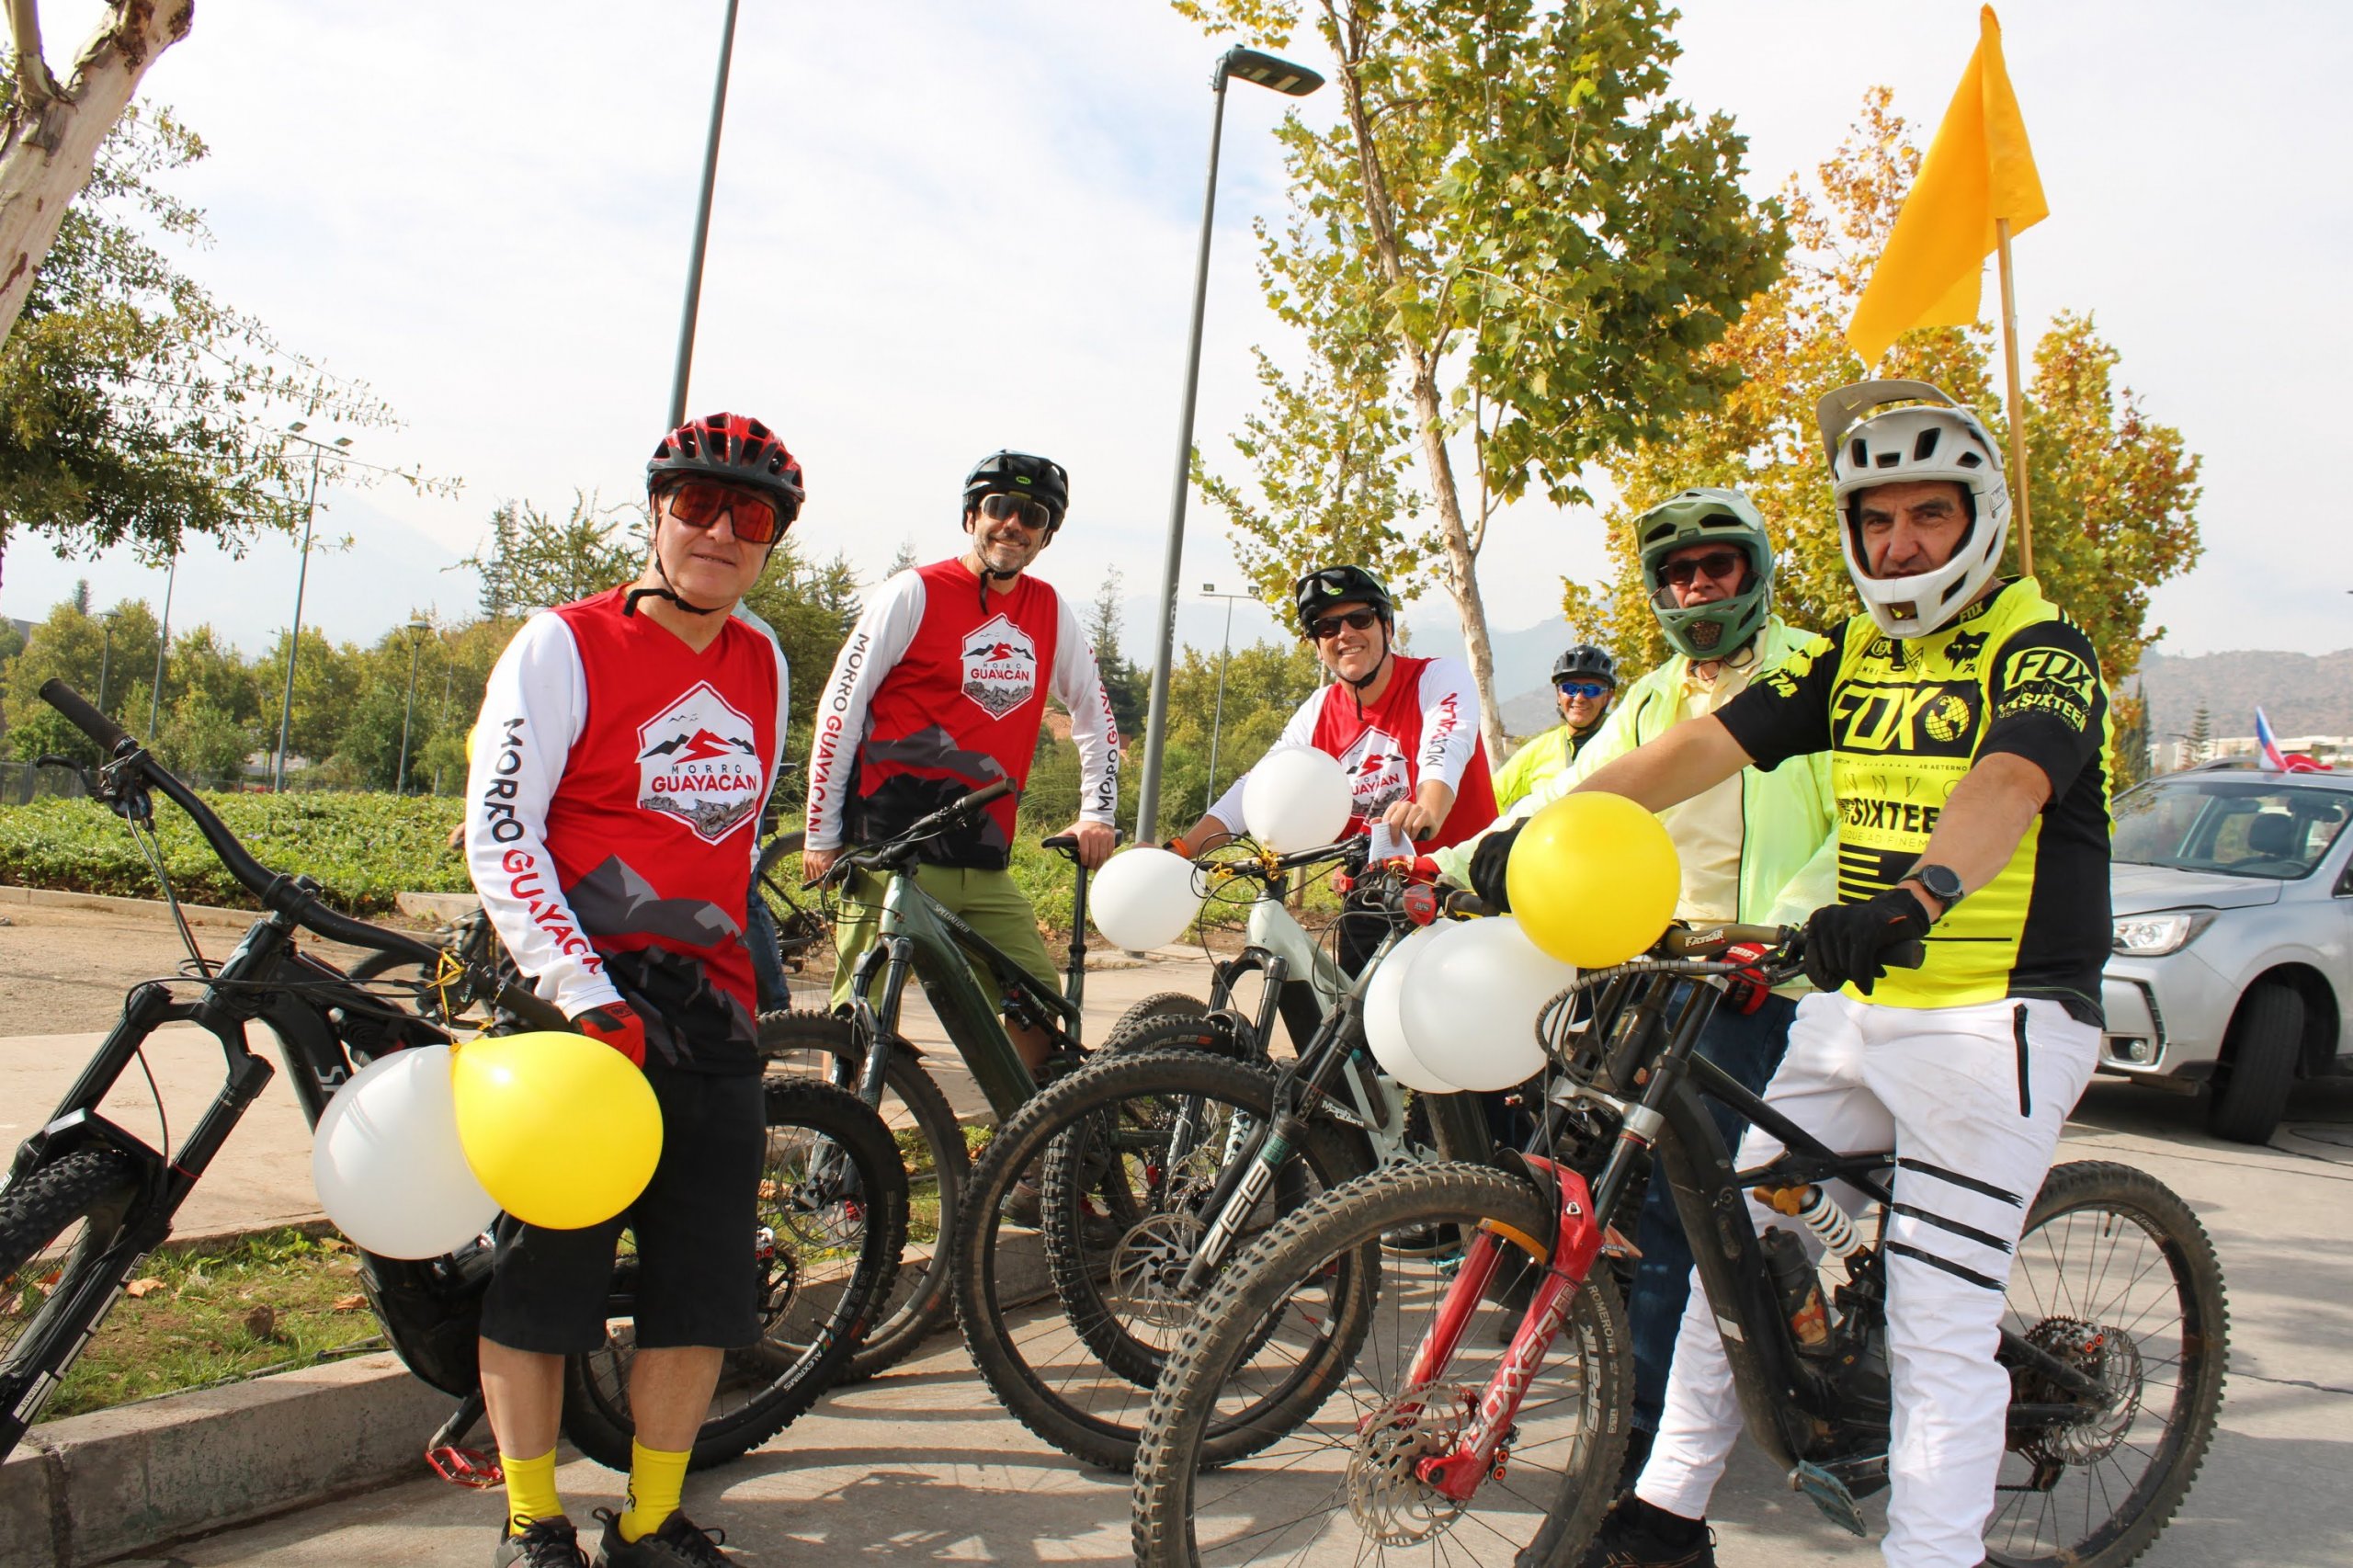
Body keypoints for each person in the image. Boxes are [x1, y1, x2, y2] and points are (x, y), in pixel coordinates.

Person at [1496, 381, 2111, 1568]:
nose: (1901, 544)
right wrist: (1535, 831)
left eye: (1929, 515)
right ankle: (1666, 1515)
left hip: (1997, 1016)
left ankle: (1933, 1552)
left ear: (1980, 518)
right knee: (1734, 1244)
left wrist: (1916, 895)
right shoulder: (1852, 655)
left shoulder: (2043, 646)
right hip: (1860, 1002)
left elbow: (2008, 781)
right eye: (1878, 520)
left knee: (1936, 1321)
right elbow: (1696, 748)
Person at [462, 412, 805, 1568]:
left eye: (749, 516)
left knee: (701, 1287)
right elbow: (502, 829)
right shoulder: (562, 644)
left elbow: (732, 836)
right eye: (697, 505)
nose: (720, 531)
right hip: (580, 1011)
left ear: (770, 541)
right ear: (657, 513)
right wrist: (578, 987)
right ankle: (532, 1520)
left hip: (708, 1010)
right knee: (545, 1277)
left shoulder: (763, 656)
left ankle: (651, 1520)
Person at [1441, 487, 1836, 1470]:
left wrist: (1786, 928)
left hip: (1761, 973)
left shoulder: (1814, 671)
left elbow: (1858, 824)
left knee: (1675, 1204)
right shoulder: (1655, 696)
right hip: (1656, 960)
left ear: (1754, 571)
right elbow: (1571, 792)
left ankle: (1644, 1437)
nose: (1697, 585)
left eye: (1717, 566)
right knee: (1565, 1159)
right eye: (1677, 572)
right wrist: (1454, 864)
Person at [802, 449, 1119, 1070]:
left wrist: (1097, 812)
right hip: (892, 853)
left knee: (1037, 1003)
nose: (1014, 524)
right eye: (1000, 507)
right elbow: (841, 709)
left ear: (1046, 536)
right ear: (973, 515)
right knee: (860, 1019)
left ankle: (1025, 1130)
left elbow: (1095, 713)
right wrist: (821, 833)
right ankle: (834, 1130)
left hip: (985, 857)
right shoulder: (913, 593)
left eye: (1033, 516)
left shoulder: (1049, 609)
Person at [1168, 564, 1499, 972]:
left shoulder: (1437, 677)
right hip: (1372, 898)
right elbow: (1256, 788)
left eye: (1360, 618)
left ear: (1387, 627)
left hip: (1458, 892)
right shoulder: (1318, 711)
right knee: (1348, 1011)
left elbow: (1445, 747)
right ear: (1317, 646)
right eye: (1326, 627)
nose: (1344, 634)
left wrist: (1428, 808)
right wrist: (1182, 850)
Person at [1490, 643, 1619, 812]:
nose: (1579, 698)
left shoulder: (1621, 740)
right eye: (1570, 689)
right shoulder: (1540, 750)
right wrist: (1505, 828)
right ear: (1559, 694)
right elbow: (1491, 795)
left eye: (1591, 690)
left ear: (1607, 697)